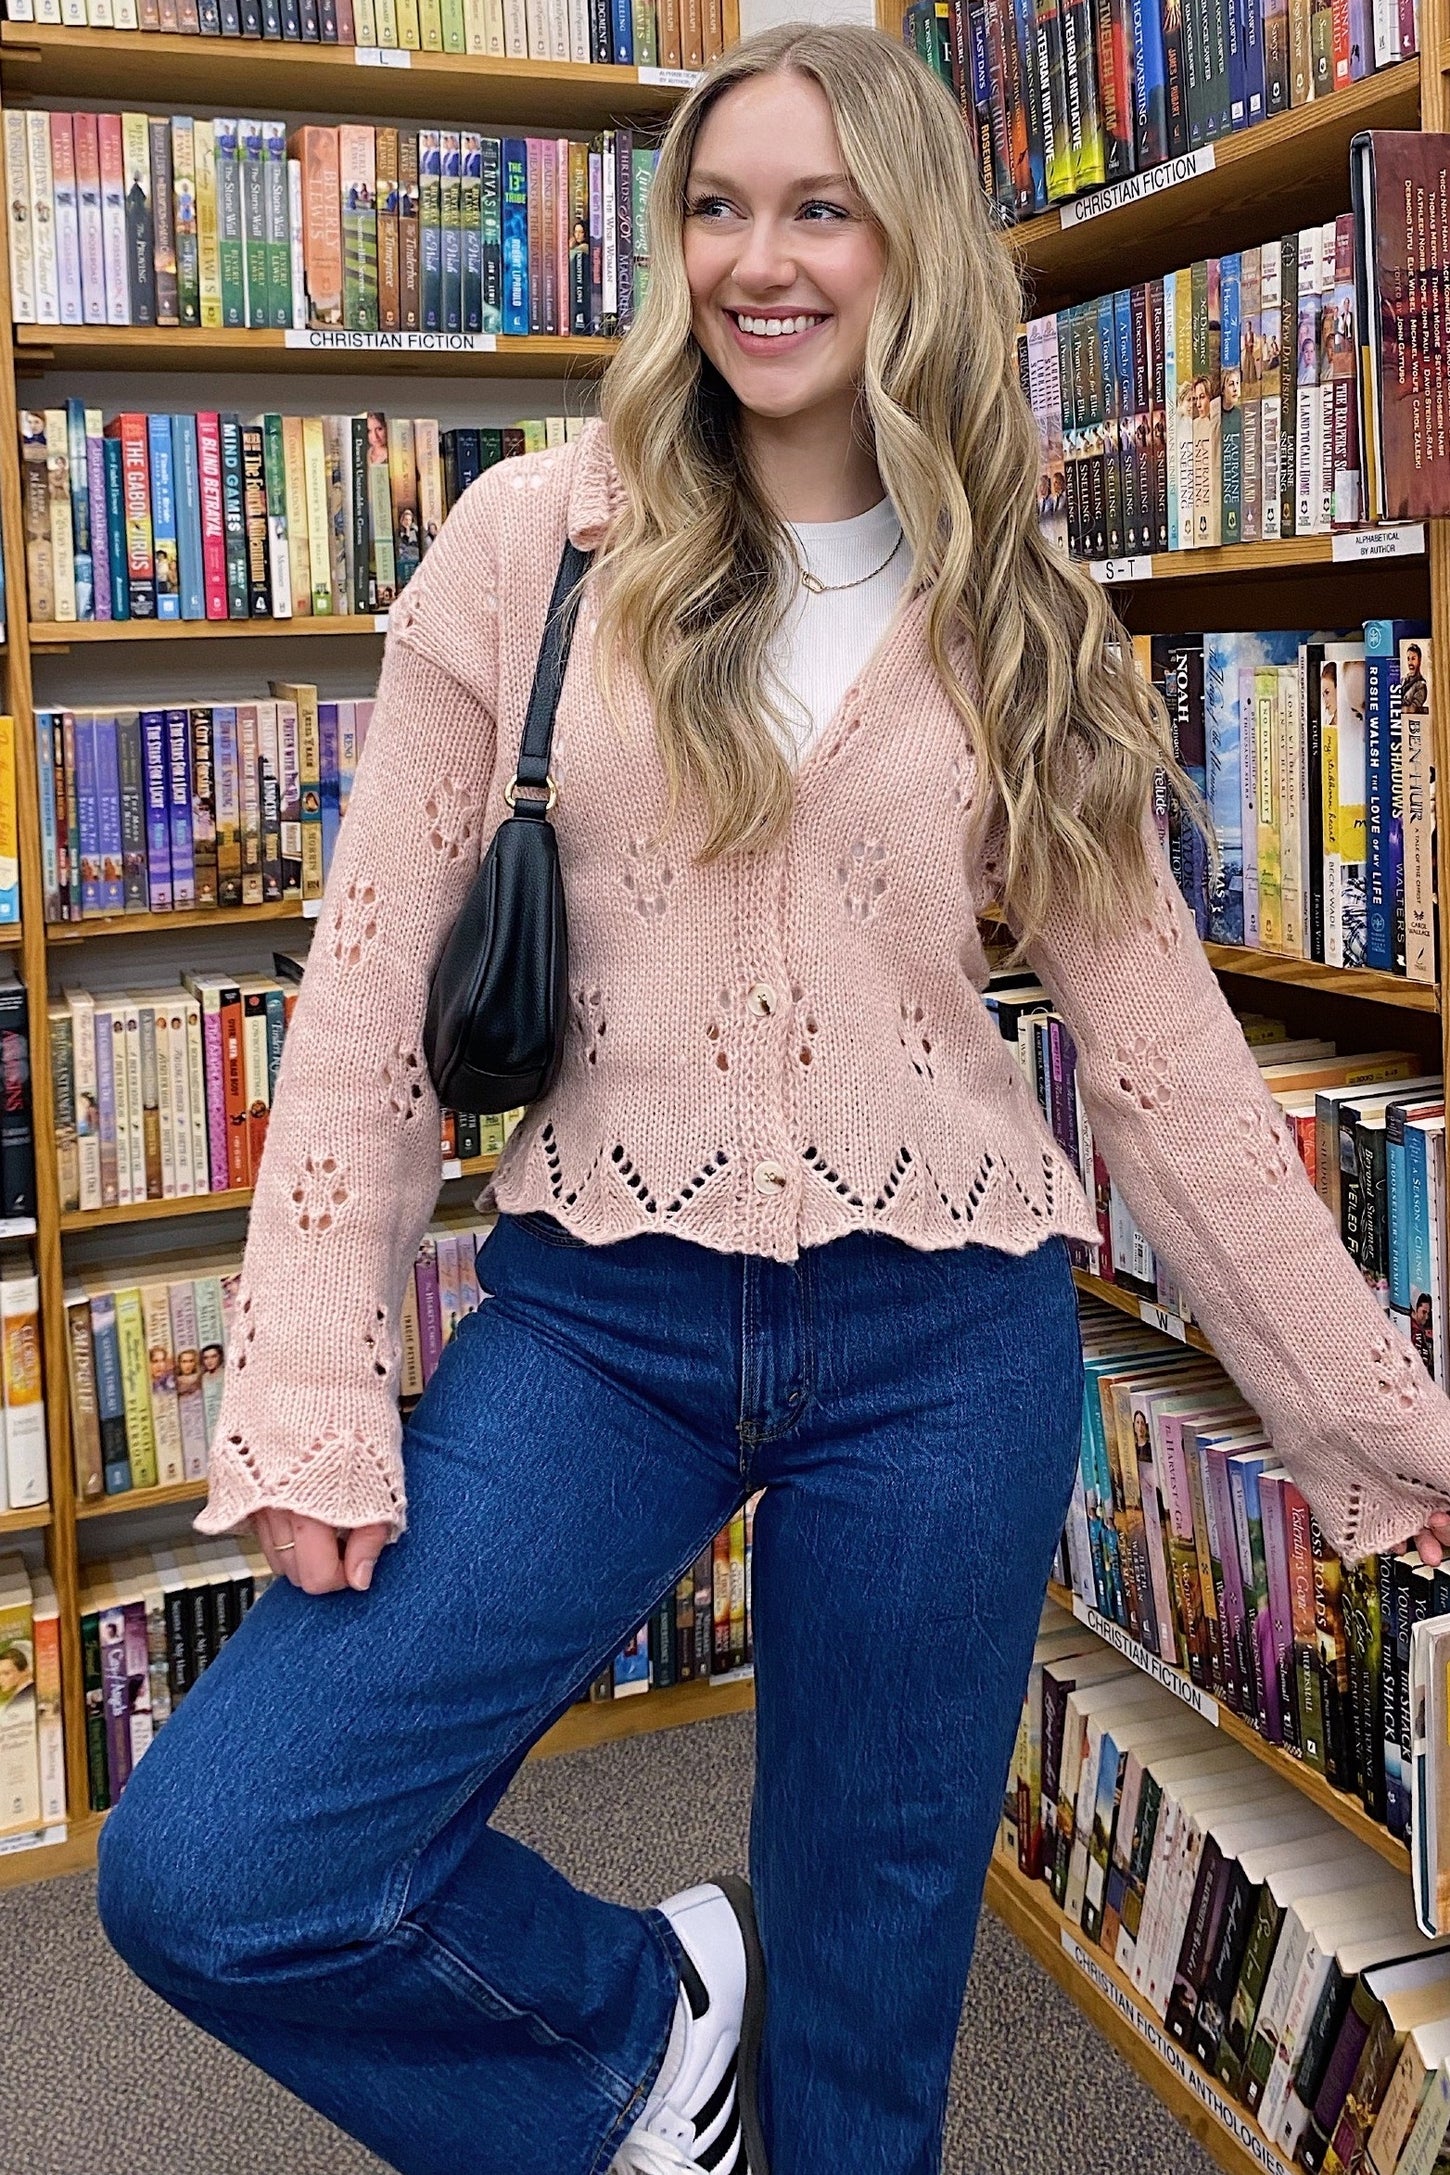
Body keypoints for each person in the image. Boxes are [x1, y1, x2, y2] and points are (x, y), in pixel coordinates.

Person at [95, 23, 1450, 2175]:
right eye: (716, 208)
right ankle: (648, 2019)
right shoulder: (535, 541)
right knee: (220, 1861)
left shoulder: (1020, 607)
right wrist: (312, 1385)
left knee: (865, 2008)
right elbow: (361, 1008)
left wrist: (1379, 1430)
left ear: (908, 239)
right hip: (592, 1320)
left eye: (817, 206)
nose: (759, 259)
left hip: (943, 1342)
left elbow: (1172, 1069)